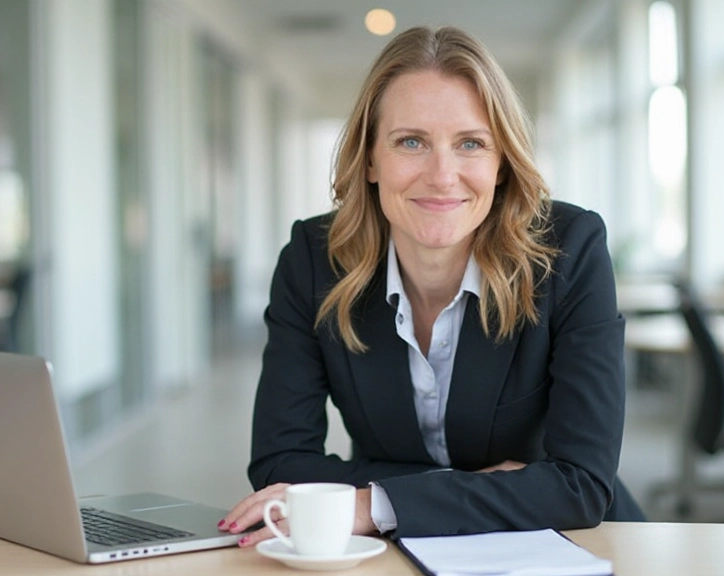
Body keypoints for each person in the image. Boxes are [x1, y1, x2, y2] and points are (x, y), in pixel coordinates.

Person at [221, 25, 644, 546]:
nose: (443, 176)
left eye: (470, 143)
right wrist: (475, 488)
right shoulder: (313, 262)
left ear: (501, 163)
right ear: (370, 159)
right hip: (384, 553)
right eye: (411, 142)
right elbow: (281, 466)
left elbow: (580, 485)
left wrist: (374, 502)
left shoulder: (569, 252)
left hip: (568, 543)